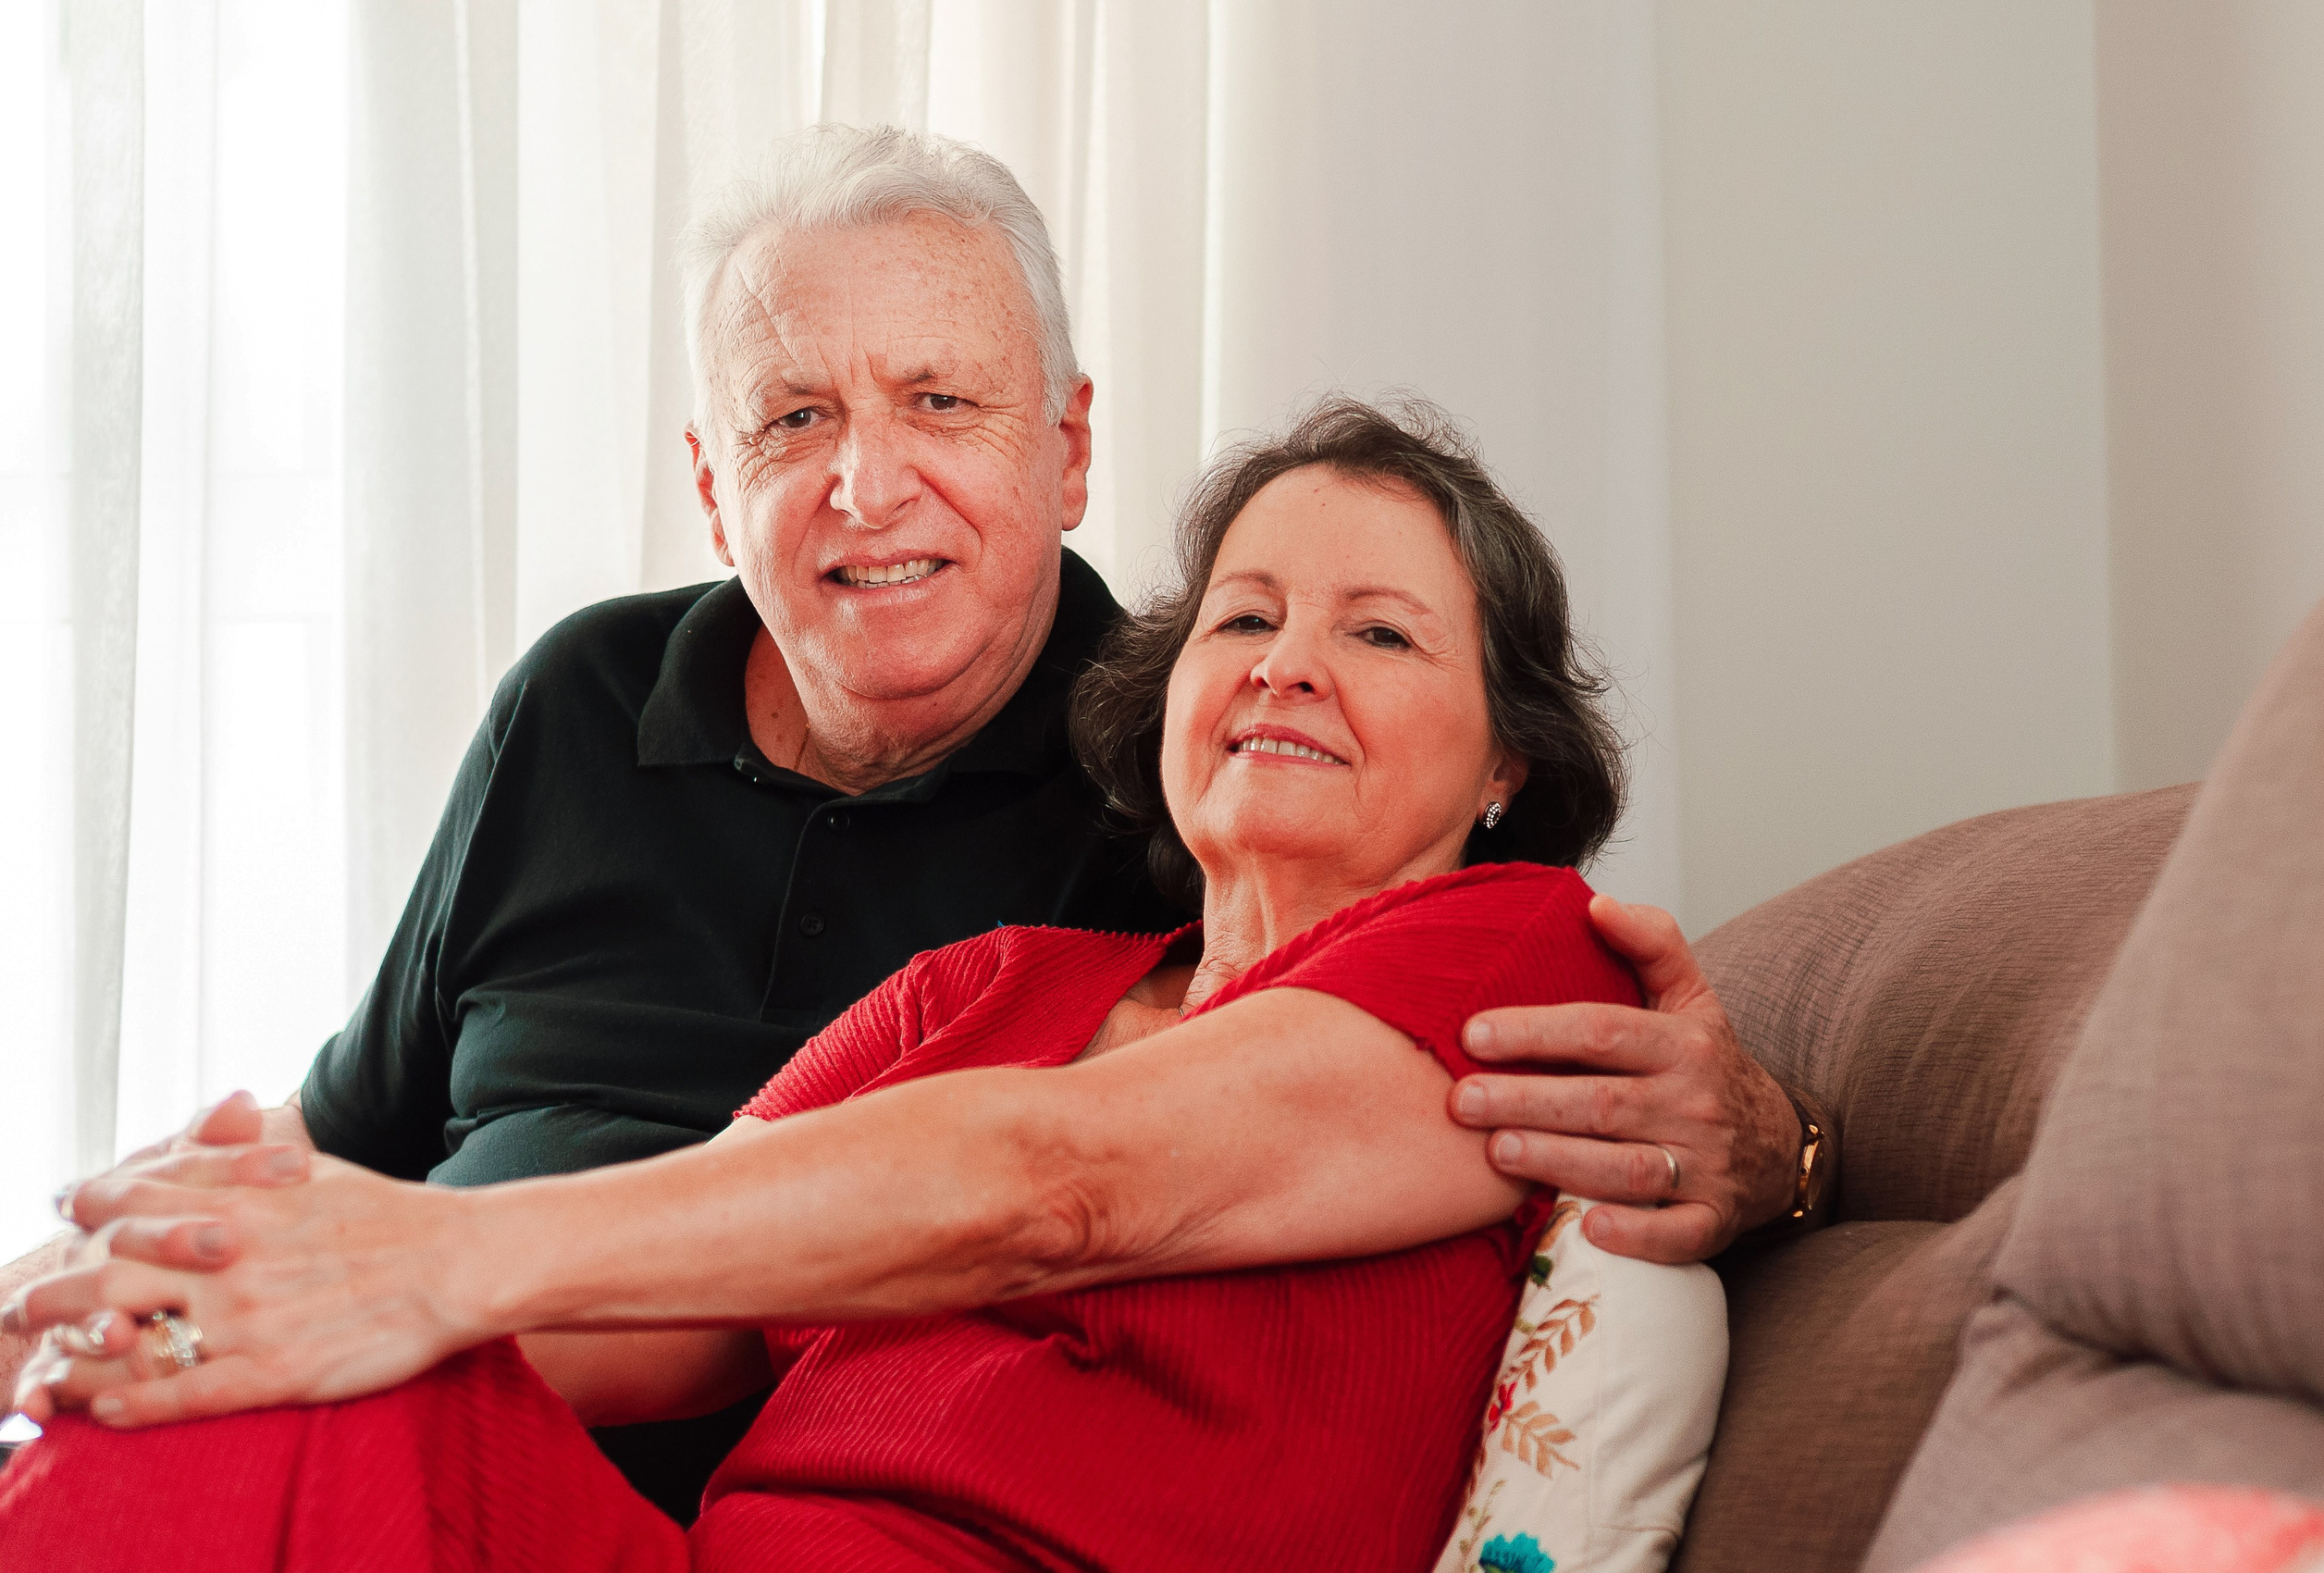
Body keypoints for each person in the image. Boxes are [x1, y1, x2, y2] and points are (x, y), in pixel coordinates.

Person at [0, 126, 1825, 1515]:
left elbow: (1055, 1183)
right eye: (794, 417)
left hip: (564, 1411)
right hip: (539, 1458)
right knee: (138, 1440)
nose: (867, 483)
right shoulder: (978, 964)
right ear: (713, 483)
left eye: (941, 400)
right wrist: (166, 1298)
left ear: (1067, 450)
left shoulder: (1467, 944)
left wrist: (1786, 1151)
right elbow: (454, 1182)